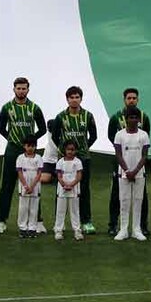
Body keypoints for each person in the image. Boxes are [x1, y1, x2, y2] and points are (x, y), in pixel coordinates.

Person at [0, 77, 46, 234]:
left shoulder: (34, 108)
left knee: (34, 185)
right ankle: (1, 221)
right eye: (19, 88)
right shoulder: (6, 108)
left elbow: (43, 129)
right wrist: (14, 140)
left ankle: (37, 221)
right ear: (14, 89)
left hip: (30, 153)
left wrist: (30, 142)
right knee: (7, 186)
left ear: (28, 90)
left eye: (24, 88)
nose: (21, 91)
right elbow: (1, 128)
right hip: (12, 150)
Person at [49, 86, 99, 234]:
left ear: (81, 99)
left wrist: (81, 150)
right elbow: (55, 136)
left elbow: (93, 136)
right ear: (67, 99)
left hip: (83, 158)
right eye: (71, 97)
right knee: (61, 190)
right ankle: (60, 223)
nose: (74, 100)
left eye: (77, 97)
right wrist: (65, 152)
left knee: (83, 189)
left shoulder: (88, 116)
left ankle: (86, 222)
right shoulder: (60, 117)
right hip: (64, 161)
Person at [106, 88, 150, 235]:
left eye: (134, 98)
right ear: (124, 99)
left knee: (141, 195)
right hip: (121, 161)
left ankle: (141, 226)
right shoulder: (115, 117)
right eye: (129, 98)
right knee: (117, 194)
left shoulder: (144, 117)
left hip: (138, 162)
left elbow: (145, 139)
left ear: (138, 100)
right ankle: (114, 224)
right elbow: (112, 137)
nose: (132, 100)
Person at [113, 108, 150, 241]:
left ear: (139, 120)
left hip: (139, 173)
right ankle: (123, 229)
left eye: (135, 117)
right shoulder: (119, 135)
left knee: (138, 200)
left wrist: (135, 171)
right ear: (126, 119)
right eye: (130, 117)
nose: (133, 120)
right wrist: (127, 171)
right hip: (124, 173)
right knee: (124, 200)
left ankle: (136, 229)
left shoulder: (143, 135)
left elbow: (145, 155)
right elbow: (118, 154)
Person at [54, 141, 84, 241]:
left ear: (75, 150)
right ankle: (58, 230)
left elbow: (79, 176)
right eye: (68, 149)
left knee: (75, 211)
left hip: (74, 190)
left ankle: (77, 230)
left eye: (72, 149)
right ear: (64, 150)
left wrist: (71, 185)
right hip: (62, 191)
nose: (70, 152)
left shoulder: (78, 162)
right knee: (60, 211)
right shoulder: (60, 162)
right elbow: (59, 176)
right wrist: (64, 185)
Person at [15, 136, 43, 237]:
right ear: (24, 146)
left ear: (35, 146)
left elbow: (39, 173)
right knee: (23, 208)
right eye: (28, 146)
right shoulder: (20, 158)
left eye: (32, 146)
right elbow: (19, 172)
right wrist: (26, 186)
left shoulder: (38, 158)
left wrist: (32, 186)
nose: (30, 148)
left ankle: (32, 228)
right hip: (24, 187)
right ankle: (22, 228)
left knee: (34, 208)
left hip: (35, 187)